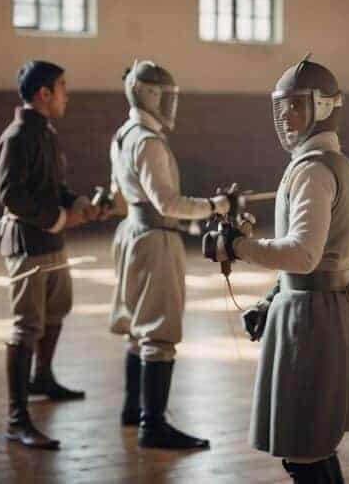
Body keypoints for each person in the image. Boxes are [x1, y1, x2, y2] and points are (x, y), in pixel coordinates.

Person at [204, 58, 349, 483]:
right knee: (313, 445)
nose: (286, 117)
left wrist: (236, 246)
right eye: (282, 107)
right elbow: (318, 256)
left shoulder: (313, 171)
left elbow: (303, 256)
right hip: (317, 308)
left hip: (311, 317)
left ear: (324, 107)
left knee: (305, 449)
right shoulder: (337, 163)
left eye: (296, 106)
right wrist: (270, 299)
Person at [108, 59, 231, 449]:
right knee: (159, 330)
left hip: (131, 233)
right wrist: (216, 205)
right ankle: (153, 423)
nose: (172, 104)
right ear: (150, 95)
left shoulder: (125, 133)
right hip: (154, 238)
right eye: (167, 96)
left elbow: (118, 196)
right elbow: (167, 202)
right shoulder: (147, 140)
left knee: (137, 326)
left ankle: (134, 409)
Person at [0, 60, 101, 450]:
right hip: (28, 244)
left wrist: (81, 203)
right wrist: (60, 217)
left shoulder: (46, 132)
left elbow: (53, 185)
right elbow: (11, 195)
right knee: (27, 325)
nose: (66, 95)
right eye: (63, 88)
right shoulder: (18, 135)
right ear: (44, 94)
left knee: (57, 310)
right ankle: (16, 418)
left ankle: (43, 378)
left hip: (52, 243)